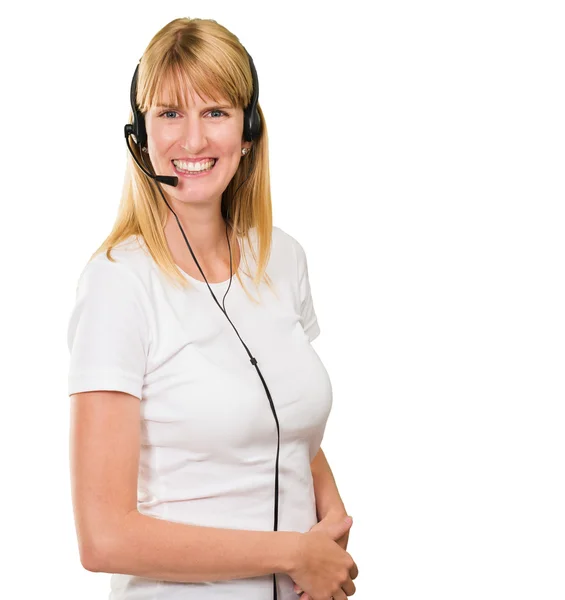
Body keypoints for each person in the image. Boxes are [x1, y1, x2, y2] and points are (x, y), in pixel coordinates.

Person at [67, 16, 358, 600]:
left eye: (215, 112)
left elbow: (283, 424)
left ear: (248, 130)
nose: (193, 141)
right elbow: (103, 537)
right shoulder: (117, 285)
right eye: (170, 114)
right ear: (139, 134)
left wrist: (330, 523)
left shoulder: (283, 258)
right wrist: (293, 552)